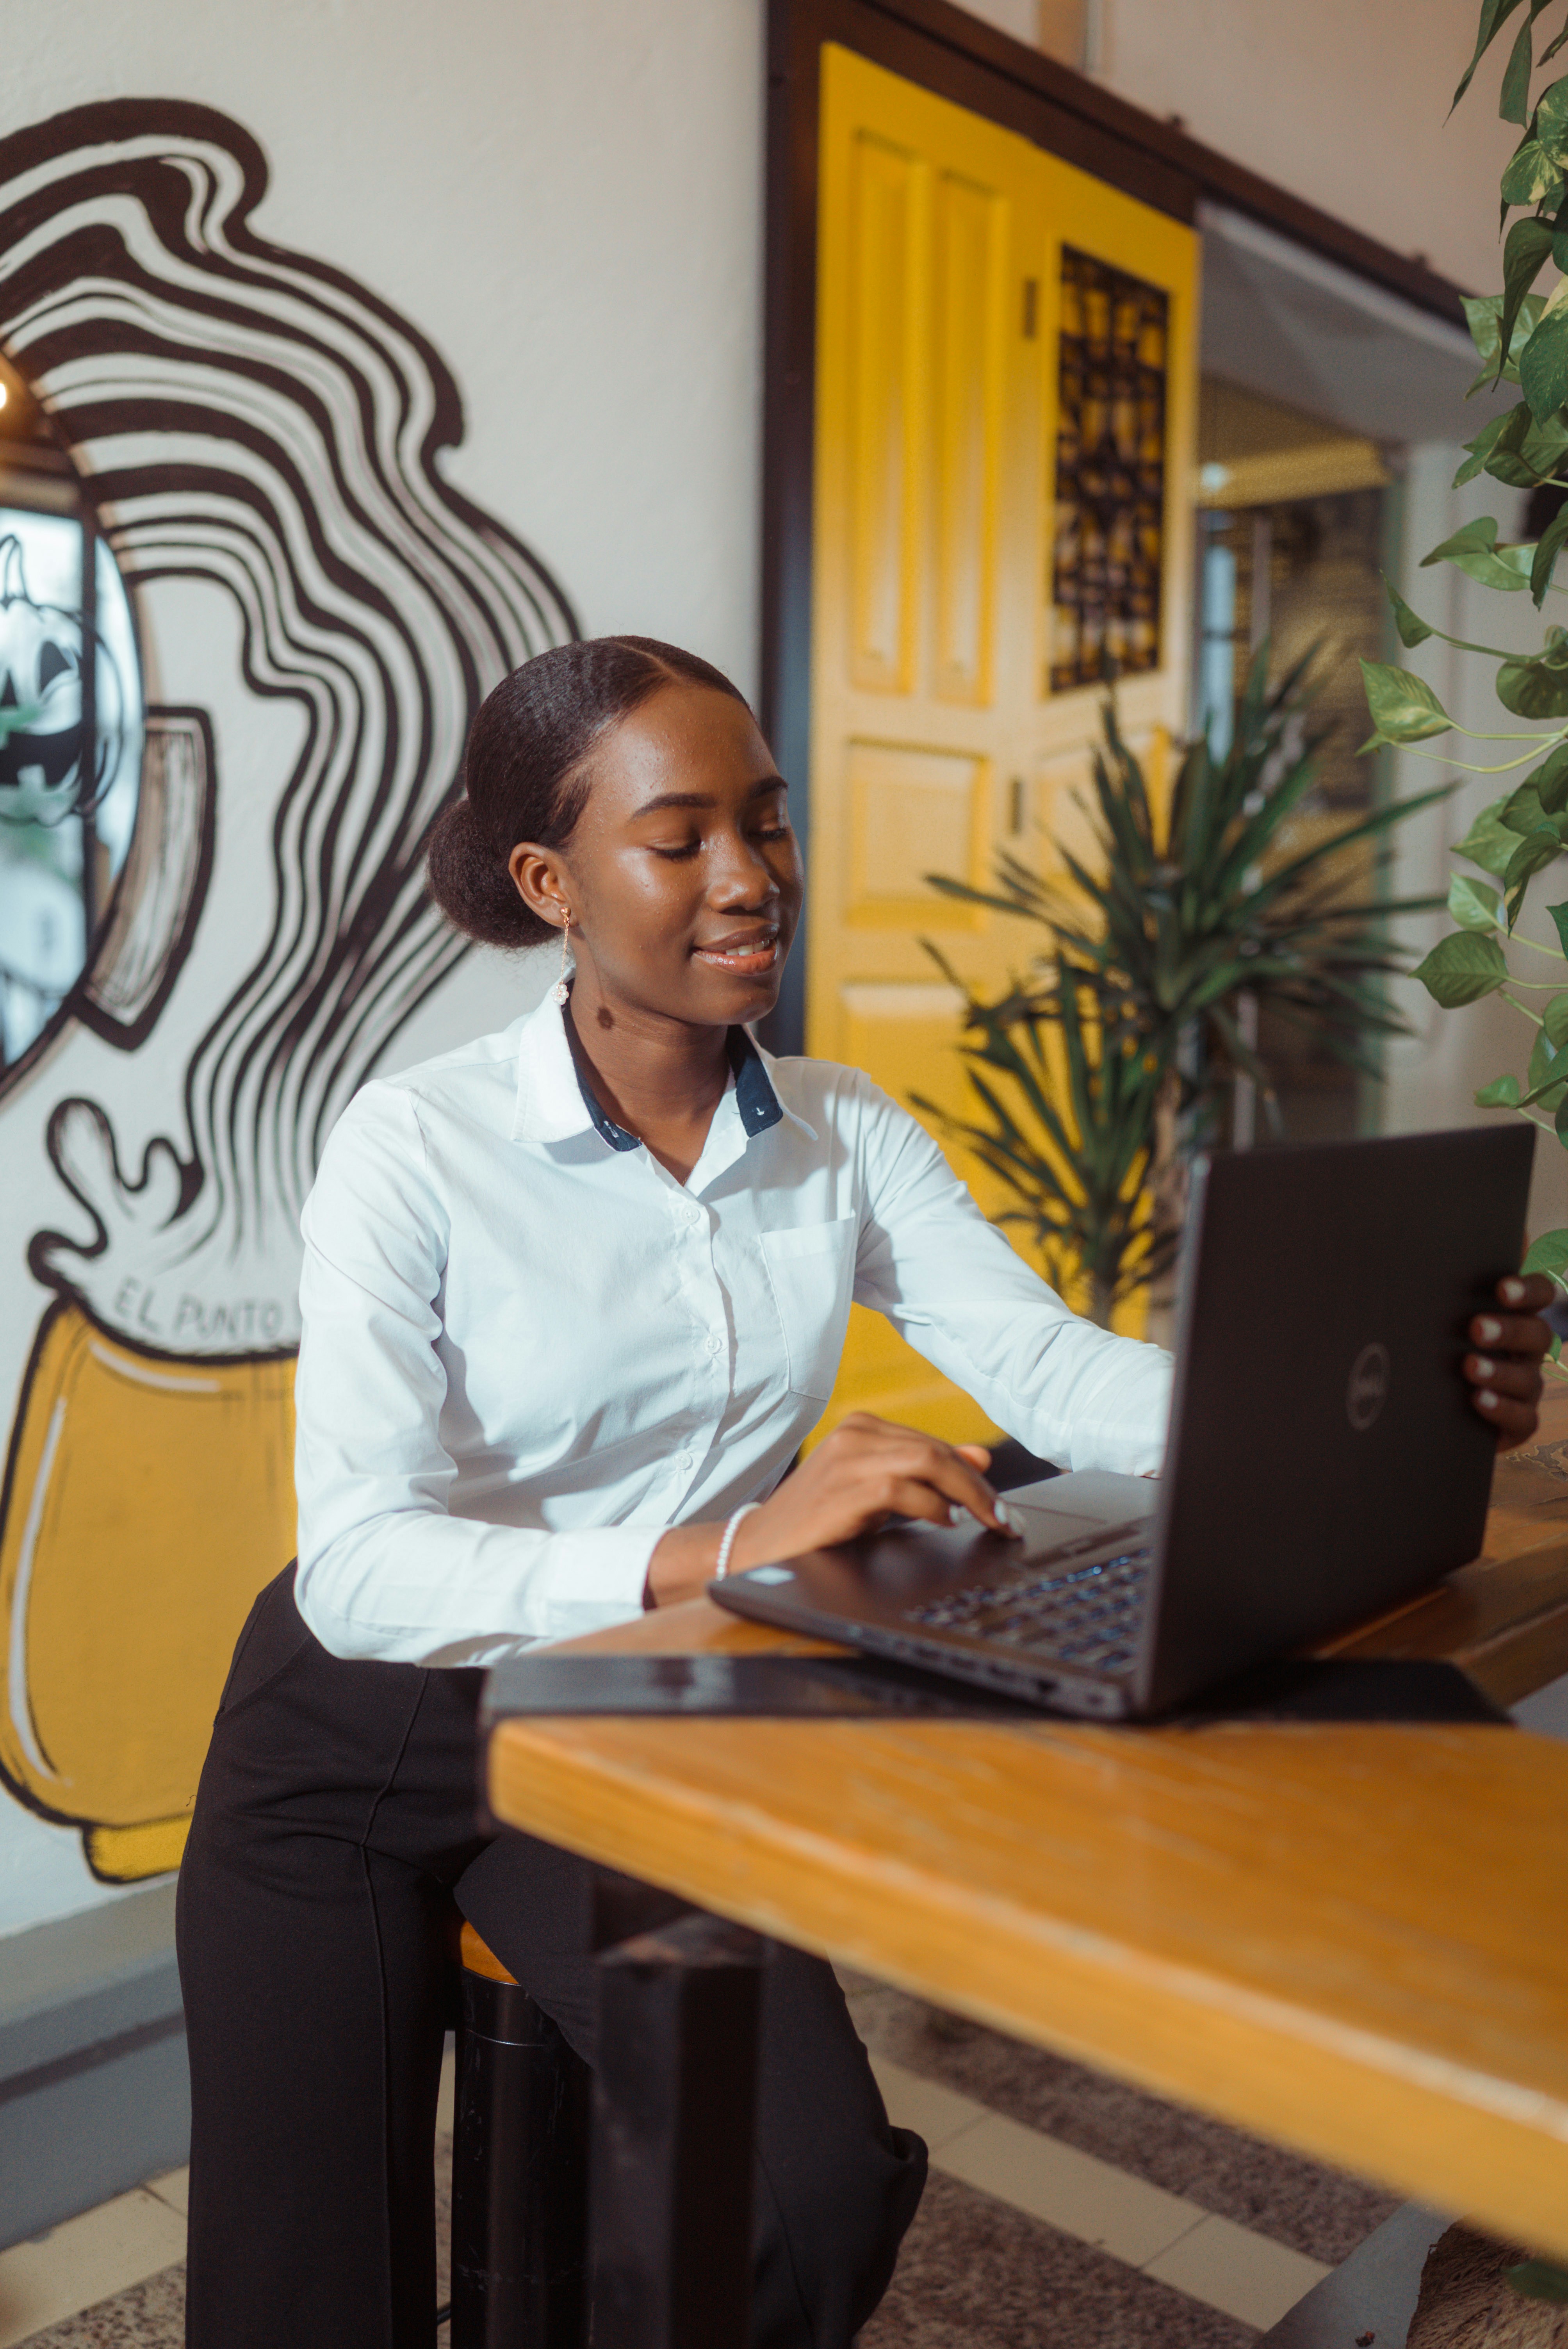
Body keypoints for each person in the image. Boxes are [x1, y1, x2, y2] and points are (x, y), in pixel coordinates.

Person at [175, 638, 1556, 2349]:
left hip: (624, 1720)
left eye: (764, 820)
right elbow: (363, 1572)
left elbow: (1042, 1366)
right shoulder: (415, 1145)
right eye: (676, 838)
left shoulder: (839, 1130)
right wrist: (734, 1543)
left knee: (797, 2197)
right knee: (303, 2298)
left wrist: (1363, 1408)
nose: (749, 876)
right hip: (353, 1734)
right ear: (552, 881)